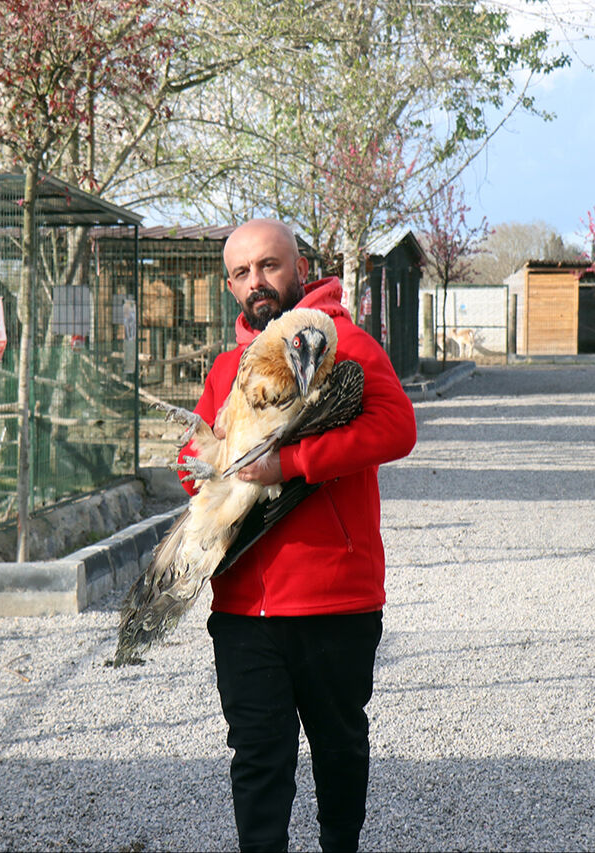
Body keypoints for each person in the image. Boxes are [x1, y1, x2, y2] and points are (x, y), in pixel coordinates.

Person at [179, 218, 417, 852]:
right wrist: (211, 476)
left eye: (269, 266)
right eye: (241, 273)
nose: (256, 282)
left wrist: (290, 464)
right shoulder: (227, 368)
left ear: (299, 266)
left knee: (339, 746)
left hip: (334, 596)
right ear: (230, 286)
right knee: (258, 756)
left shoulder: (344, 342)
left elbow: (397, 429)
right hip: (243, 605)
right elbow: (191, 459)